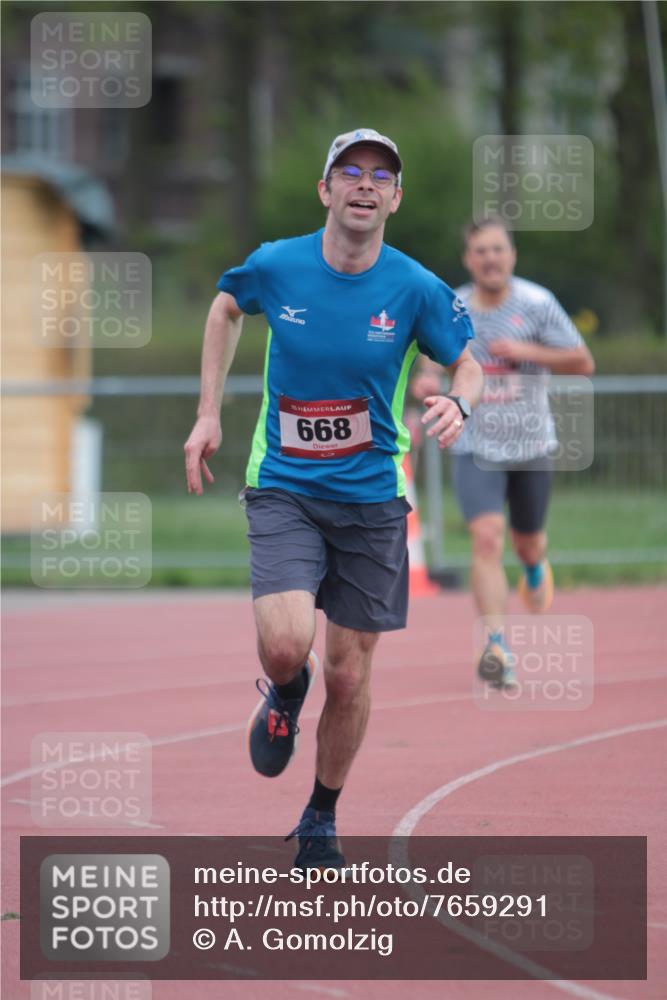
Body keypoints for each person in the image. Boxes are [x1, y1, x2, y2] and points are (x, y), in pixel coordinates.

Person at [184, 128, 483, 870]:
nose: (363, 183)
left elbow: (468, 363)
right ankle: (287, 689)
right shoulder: (277, 265)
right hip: (283, 483)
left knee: (350, 674)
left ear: (394, 198)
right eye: (348, 171)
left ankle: (320, 815)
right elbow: (225, 308)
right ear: (325, 189)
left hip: (371, 498)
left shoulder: (415, 287)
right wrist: (208, 413)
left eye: (380, 175)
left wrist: (458, 403)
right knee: (289, 644)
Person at [411, 216, 594, 687]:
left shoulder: (537, 303)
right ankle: (496, 644)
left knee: (526, 541)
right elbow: (431, 359)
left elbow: (582, 362)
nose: (490, 258)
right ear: (468, 259)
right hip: (477, 445)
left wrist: (530, 349)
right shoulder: (454, 305)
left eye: (498, 249)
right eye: (481, 251)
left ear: (512, 255)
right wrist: (427, 381)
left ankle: (534, 565)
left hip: (532, 443)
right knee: (486, 538)